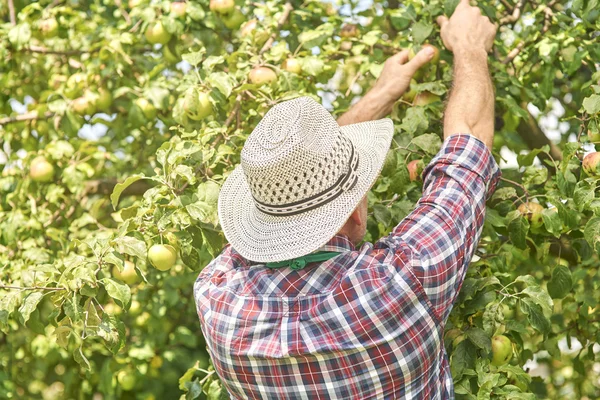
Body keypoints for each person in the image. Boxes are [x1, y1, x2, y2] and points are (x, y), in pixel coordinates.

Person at [193, 1, 499, 398]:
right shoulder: (403, 281)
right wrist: (470, 47)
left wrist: (379, 96)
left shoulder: (219, 299)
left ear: (261, 221)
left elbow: (295, 185)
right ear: (354, 212)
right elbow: (468, 146)